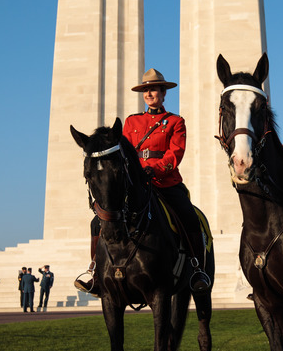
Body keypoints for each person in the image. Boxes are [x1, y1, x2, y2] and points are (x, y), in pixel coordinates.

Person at [75, 68, 211, 294]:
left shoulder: (175, 121)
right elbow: (124, 152)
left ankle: (197, 268)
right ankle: (96, 272)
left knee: (188, 215)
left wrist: (153, 169)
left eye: (154, 90)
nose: (149, 94)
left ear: (163, 93)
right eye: (146, 90)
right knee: (98, 220)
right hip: (136, 182)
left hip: (165, 181)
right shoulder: (131, 122)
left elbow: (175, 154)